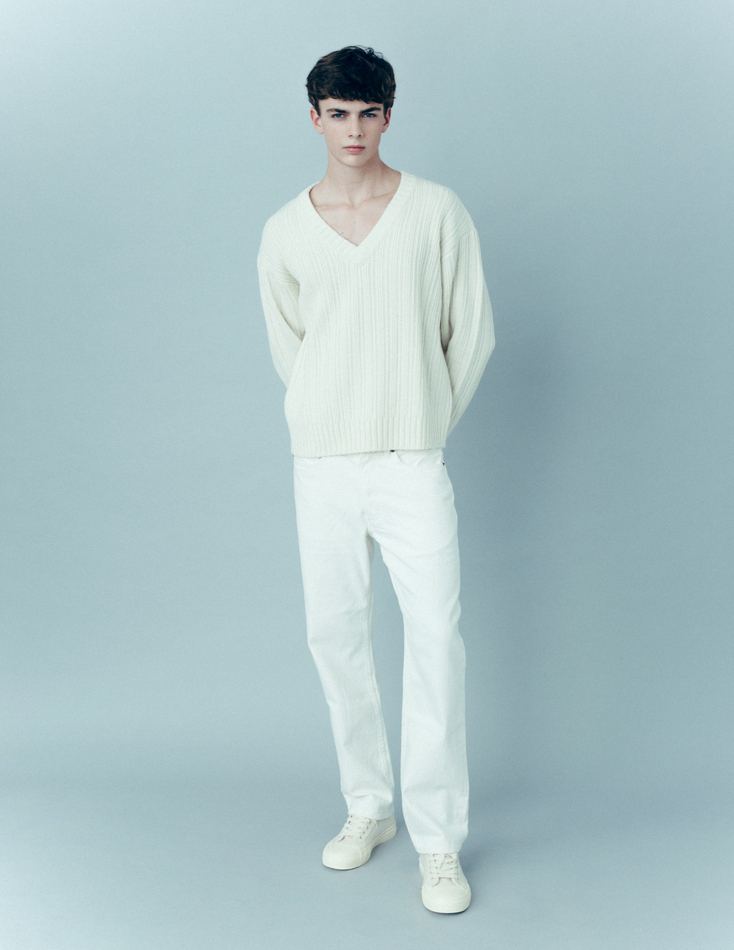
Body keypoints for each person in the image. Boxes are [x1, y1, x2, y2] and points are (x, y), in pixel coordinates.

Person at [256, 45, 494, 914]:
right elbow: (293, 349)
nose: (353, 129)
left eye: (368, 113)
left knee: (435, 639)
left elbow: (470, 333)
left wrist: (419, 420)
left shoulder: (435, 212)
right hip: (322, 463)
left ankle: (439, 842)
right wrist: (331, 418)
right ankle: (369, 806)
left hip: (410, 463)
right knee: (336, 635)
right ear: (314, 118)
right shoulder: (285, 231)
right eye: (337, 113)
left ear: (388, 117)